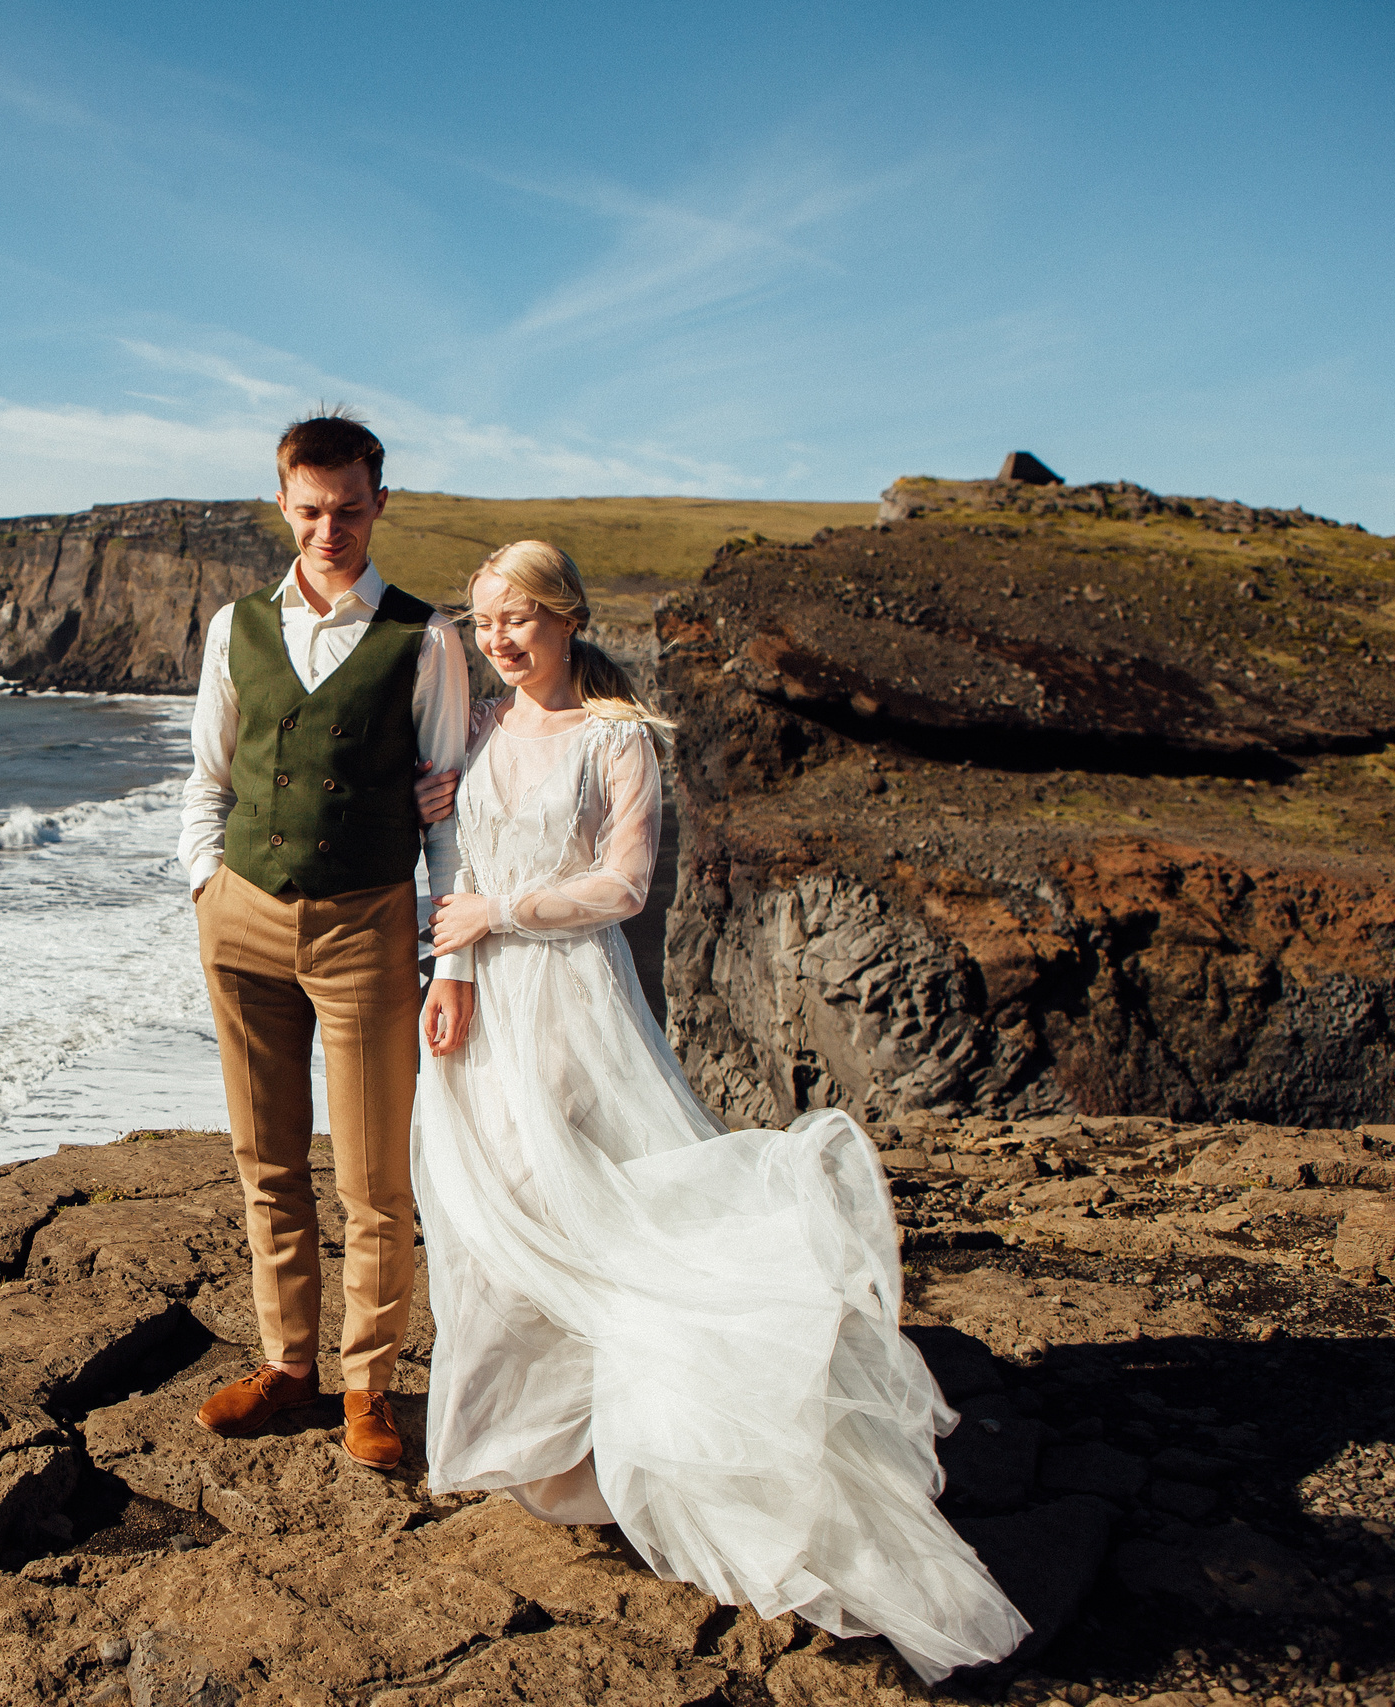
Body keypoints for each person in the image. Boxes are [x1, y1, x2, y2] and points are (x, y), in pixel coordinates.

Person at [416, 540, 1029, 1683]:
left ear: (567, 618)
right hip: (479, 1004)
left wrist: (498, 917)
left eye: (522, 619)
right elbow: (451, 858)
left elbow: (622, 888)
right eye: (485, 620)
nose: (500, 639)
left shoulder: (617, 740)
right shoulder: (479, 731)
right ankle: (541, 1447)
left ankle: (629, 1456)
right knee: (487, 1218)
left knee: (587, 1216)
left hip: (569, 1005)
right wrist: (450, 968)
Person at [178, 411, 471, 1472]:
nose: (329, 528)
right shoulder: (234, 629)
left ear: (377, 502)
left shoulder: (424, 638)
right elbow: (208, 775)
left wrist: (454, 957)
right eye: (310, 510)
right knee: (265, 1163)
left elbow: (447, 816)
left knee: (372, 1177)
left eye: (349, 508)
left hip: (366, 927)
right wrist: (205, 885)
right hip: (242, 918)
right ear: (283, 505)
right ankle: (288, 1368)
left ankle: (369, 1386)